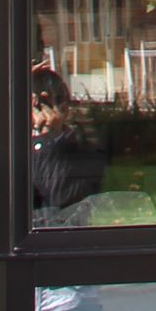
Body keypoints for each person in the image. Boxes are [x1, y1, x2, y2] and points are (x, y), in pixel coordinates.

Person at [30, 63, 106, 215]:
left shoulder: (83, 149)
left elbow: (60, 202)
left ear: (64, 108)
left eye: (43, 103)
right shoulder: (15, 146)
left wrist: (46, 136)